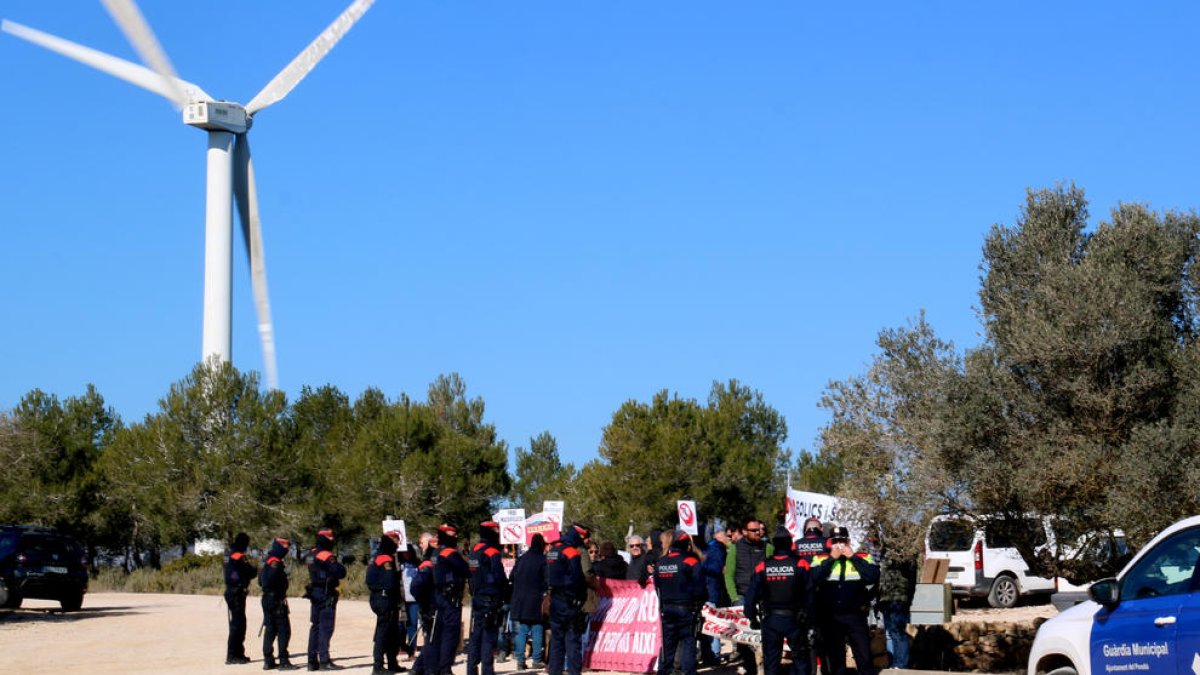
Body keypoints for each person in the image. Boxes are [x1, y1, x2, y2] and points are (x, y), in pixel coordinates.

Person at [744, 527, 813, 675]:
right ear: (789, 543)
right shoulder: (800, 564)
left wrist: (751, 616)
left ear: (774, 544)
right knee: (800, 659)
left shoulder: (763, 565)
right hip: (795, 619)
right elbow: (810, 592)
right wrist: (809, 616)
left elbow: (751, 594)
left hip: (771, 620)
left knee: (772, 661)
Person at [811, 526, 880, 675]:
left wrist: (853, 557)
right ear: (830, 542)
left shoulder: (863, 557)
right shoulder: (820, 558)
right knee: (836, 658)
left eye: (842, 540)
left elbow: (872, 576)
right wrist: (831, 559)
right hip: (831, 617)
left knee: (863, 655)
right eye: (836, 541)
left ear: (848, 541)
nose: (839, 544)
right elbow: (813, 578)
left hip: (855, 615)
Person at [653, 532, 705, 675]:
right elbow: (700, 588)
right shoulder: (690, 561)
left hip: (666, 610)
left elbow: (657, 587)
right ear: (686, 545)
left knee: (667, 647)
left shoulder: (661, 562)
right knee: (688, 644)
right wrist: (699, 604)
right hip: (686, 609)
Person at [421, 523, 469, 675]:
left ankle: (433, 668)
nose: (455, 537)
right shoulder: (449, 552)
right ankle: (445, 668)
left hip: (439, 597)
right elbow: (465, 569)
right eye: (452, 534)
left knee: (437, 635)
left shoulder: (436, 552)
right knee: (450, 635)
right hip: (450, 599)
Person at [727, 518, 772, 675]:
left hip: (763, 598)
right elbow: (729, 574)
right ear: (744, 532)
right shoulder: (735, 548)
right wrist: (734, 597)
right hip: (742, 597)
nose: (758, 532)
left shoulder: (768, 548)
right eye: (753, 530)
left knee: (765, 634)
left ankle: (766, 666)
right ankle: (750, 665)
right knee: (743, 636)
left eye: (759, 529)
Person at [546, 524, 589, 675]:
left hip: (555, 601)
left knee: (556, 642)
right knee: (572, 642)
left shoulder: (552, 551)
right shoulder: (572, 553)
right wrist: (581, 597)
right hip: (569, 603)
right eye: (583, 537)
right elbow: (578, 579)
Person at [467, 521, 509, 675]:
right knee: (488, 638)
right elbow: (499, 576)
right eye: (496, 530)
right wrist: (506, 589)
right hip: (490, 599)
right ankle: (487, 671)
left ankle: (471, 670)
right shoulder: (492, 552)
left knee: (476, 636)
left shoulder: (474, 550)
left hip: (477, 597)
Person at [306, 528, 347, 671]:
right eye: (331, 538)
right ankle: (324, 660)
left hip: (315, 591)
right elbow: (340, 572)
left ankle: (312, 661)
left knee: (315, 626)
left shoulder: (311, 554)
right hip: (325, 592)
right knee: (326, 627)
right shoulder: (325, 555)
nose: (332, 541)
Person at [367, 533, 406, 675]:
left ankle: (392, 663)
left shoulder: (379, 556)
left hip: (384, 598)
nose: (397, 544)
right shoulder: (384, 558)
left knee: (392, 632)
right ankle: (377, 666)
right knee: (383, 632)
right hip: (384, 598)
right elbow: (389, 582)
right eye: (396, 541)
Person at [510, 534, 548, 670]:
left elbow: (511, 576)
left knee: (523, 630)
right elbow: (547, 579)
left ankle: (520, 661)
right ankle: (536, 659)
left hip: (520, 600)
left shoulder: (521, 559)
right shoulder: (543, 560)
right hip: (536, 600)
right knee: (537, 629)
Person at [876, 544, 917, 669]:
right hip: (885, 598)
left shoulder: (905, 557)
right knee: (892, 632)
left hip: (898, 598)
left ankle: (901, 664)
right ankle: (896, 662)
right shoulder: (884, 554)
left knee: (898, 631)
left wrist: (908, 599)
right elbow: (881, 578)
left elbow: (911, 578)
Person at [260, 537, 297, 670]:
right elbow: (271, 580)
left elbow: (261, 581)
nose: (286, 550)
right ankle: (283, 661)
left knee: (270, 630)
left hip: (267, 599)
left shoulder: (267, 560)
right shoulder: (276, 563)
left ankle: (268, 660)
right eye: (285, 548)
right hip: (275, 600)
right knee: (283, 631)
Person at [699, 524, 732, 666]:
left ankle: (714, 655)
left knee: (712, 626)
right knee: (704, 627)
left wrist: (700, 565)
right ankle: (707, 656)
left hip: (711, 591)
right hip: (703, 591)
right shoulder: (706, 548)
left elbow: (717, 568)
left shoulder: (716, 548)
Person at [224, 532, 256, 665]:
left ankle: (238, 654)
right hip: (237, 593)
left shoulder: (228, 554)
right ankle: (232, 655)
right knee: (238, 625)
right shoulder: (238, 555)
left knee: (237, 623)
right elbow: (251, 572)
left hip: (231, 592)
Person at [409, 545, 438, 675]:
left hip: (434, 607)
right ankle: (425, 669)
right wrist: (426, 602)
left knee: (433, 640)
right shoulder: (428, 566)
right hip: (429, 608)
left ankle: (418, 668)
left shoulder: (433, 565)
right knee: (432, 640)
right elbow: (415, 588)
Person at [399, 544, 422, 660]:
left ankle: (411, 650)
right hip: (401, 599)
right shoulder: (398, 564)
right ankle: (401, 647)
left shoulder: (417, 564)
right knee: (400, 625)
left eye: (408, 552)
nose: (406, 554)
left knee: (412, 624)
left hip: (414, 599)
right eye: (404, 552)